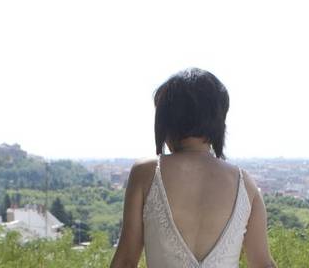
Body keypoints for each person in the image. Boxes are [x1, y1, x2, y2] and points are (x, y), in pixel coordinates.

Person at [110, 68, 277, 268]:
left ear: (166, 121)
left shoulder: (146, 173)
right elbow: (263, 264)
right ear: (218, 121)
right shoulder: (245, 184)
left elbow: (126, 261)